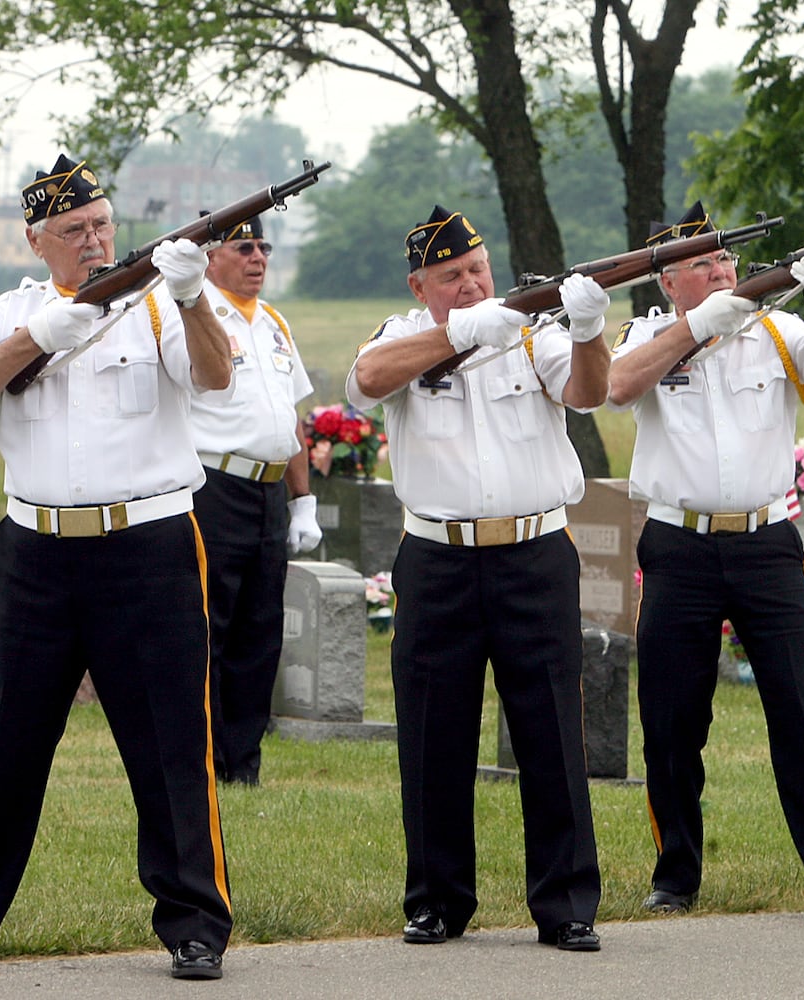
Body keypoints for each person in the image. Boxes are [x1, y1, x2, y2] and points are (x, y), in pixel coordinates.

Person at [0, 154, 236, 979]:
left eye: (101, 224)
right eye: (74, 231)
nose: (95, 242)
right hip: (36, 555)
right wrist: (39, 335)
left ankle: (195, 921)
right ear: (36, 241)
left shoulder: (161, 303)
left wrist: (195, 294)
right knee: (9, 747)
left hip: (150, 546)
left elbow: (215, 374)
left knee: (172, 741)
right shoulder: (8, 314)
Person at [345, 205, 608, 952]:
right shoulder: (402, 338)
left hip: (534, 552)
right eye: (452, 276)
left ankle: (566, 904)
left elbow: (588, 392)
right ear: (419, 284)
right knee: (434, 731)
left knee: (552, 727)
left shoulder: (536, 332)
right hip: (439, 559)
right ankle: (435, 900)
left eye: (478, 270)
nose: (471, 284)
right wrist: (458, 335)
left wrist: (586, 328)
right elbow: (365, 381)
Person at [606, 202, 804, 927]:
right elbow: (619, 384)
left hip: (766, 541)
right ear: (668, 281)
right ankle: (676, 874)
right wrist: (701, 326)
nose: (723, 271)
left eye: (726, 260)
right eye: (704, 263)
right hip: (678, 545)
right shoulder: (648, 333)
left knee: (801, 714)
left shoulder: (779, 331)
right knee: (670, 722)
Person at [189, 213, 322, 786]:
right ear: (211, 257)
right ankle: (201, 760)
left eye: (264, 247)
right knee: (209, 628)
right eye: (243, 247)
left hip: (268, 491)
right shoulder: (194, 314)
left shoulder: (272, 321)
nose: (257, 259)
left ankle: (242, 765)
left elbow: (288, 418)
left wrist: (303, 501)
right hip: (213, 486)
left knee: (260, 631)